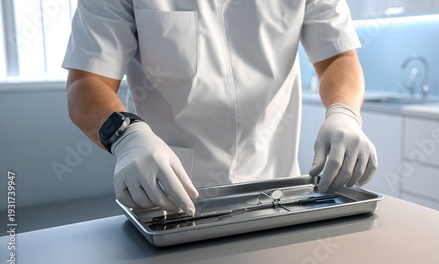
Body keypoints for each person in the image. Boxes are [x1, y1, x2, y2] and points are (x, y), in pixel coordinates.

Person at [63, 0, 377, 216]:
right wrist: (126, 137)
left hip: (278, 191)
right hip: (167, 196)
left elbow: (338, 57)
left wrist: (344, 113)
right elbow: (87, 82)